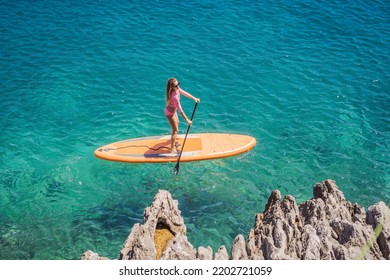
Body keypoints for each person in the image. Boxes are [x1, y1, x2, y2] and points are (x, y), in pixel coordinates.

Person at [164, 77, 200, 153]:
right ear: (172, 87)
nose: (178, 86)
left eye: (178, 84)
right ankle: (172, 149)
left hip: (174, 111)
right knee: (175, 130)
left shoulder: (177, 89)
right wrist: (187, 120)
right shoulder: (174, 97)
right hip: (170, 114)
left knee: (178, 123)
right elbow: (181, 110)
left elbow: (185, 93)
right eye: (176, 86)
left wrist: (194, 98)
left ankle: (173, 141)